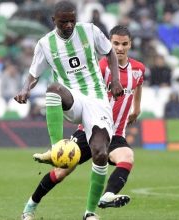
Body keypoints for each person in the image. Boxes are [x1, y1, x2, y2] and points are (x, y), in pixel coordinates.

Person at [21, 25, 145, 220]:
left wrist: (136, 109)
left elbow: (137, 86)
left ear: (130, 45)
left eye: (124, 44)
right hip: (91, 129)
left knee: (127, 157)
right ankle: (30, 206)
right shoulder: (100, 68)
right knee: (62, 171)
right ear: (109, 44)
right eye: (115, 44)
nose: (119, 48)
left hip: (116, 133)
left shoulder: (138, 69)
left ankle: (105, 198)